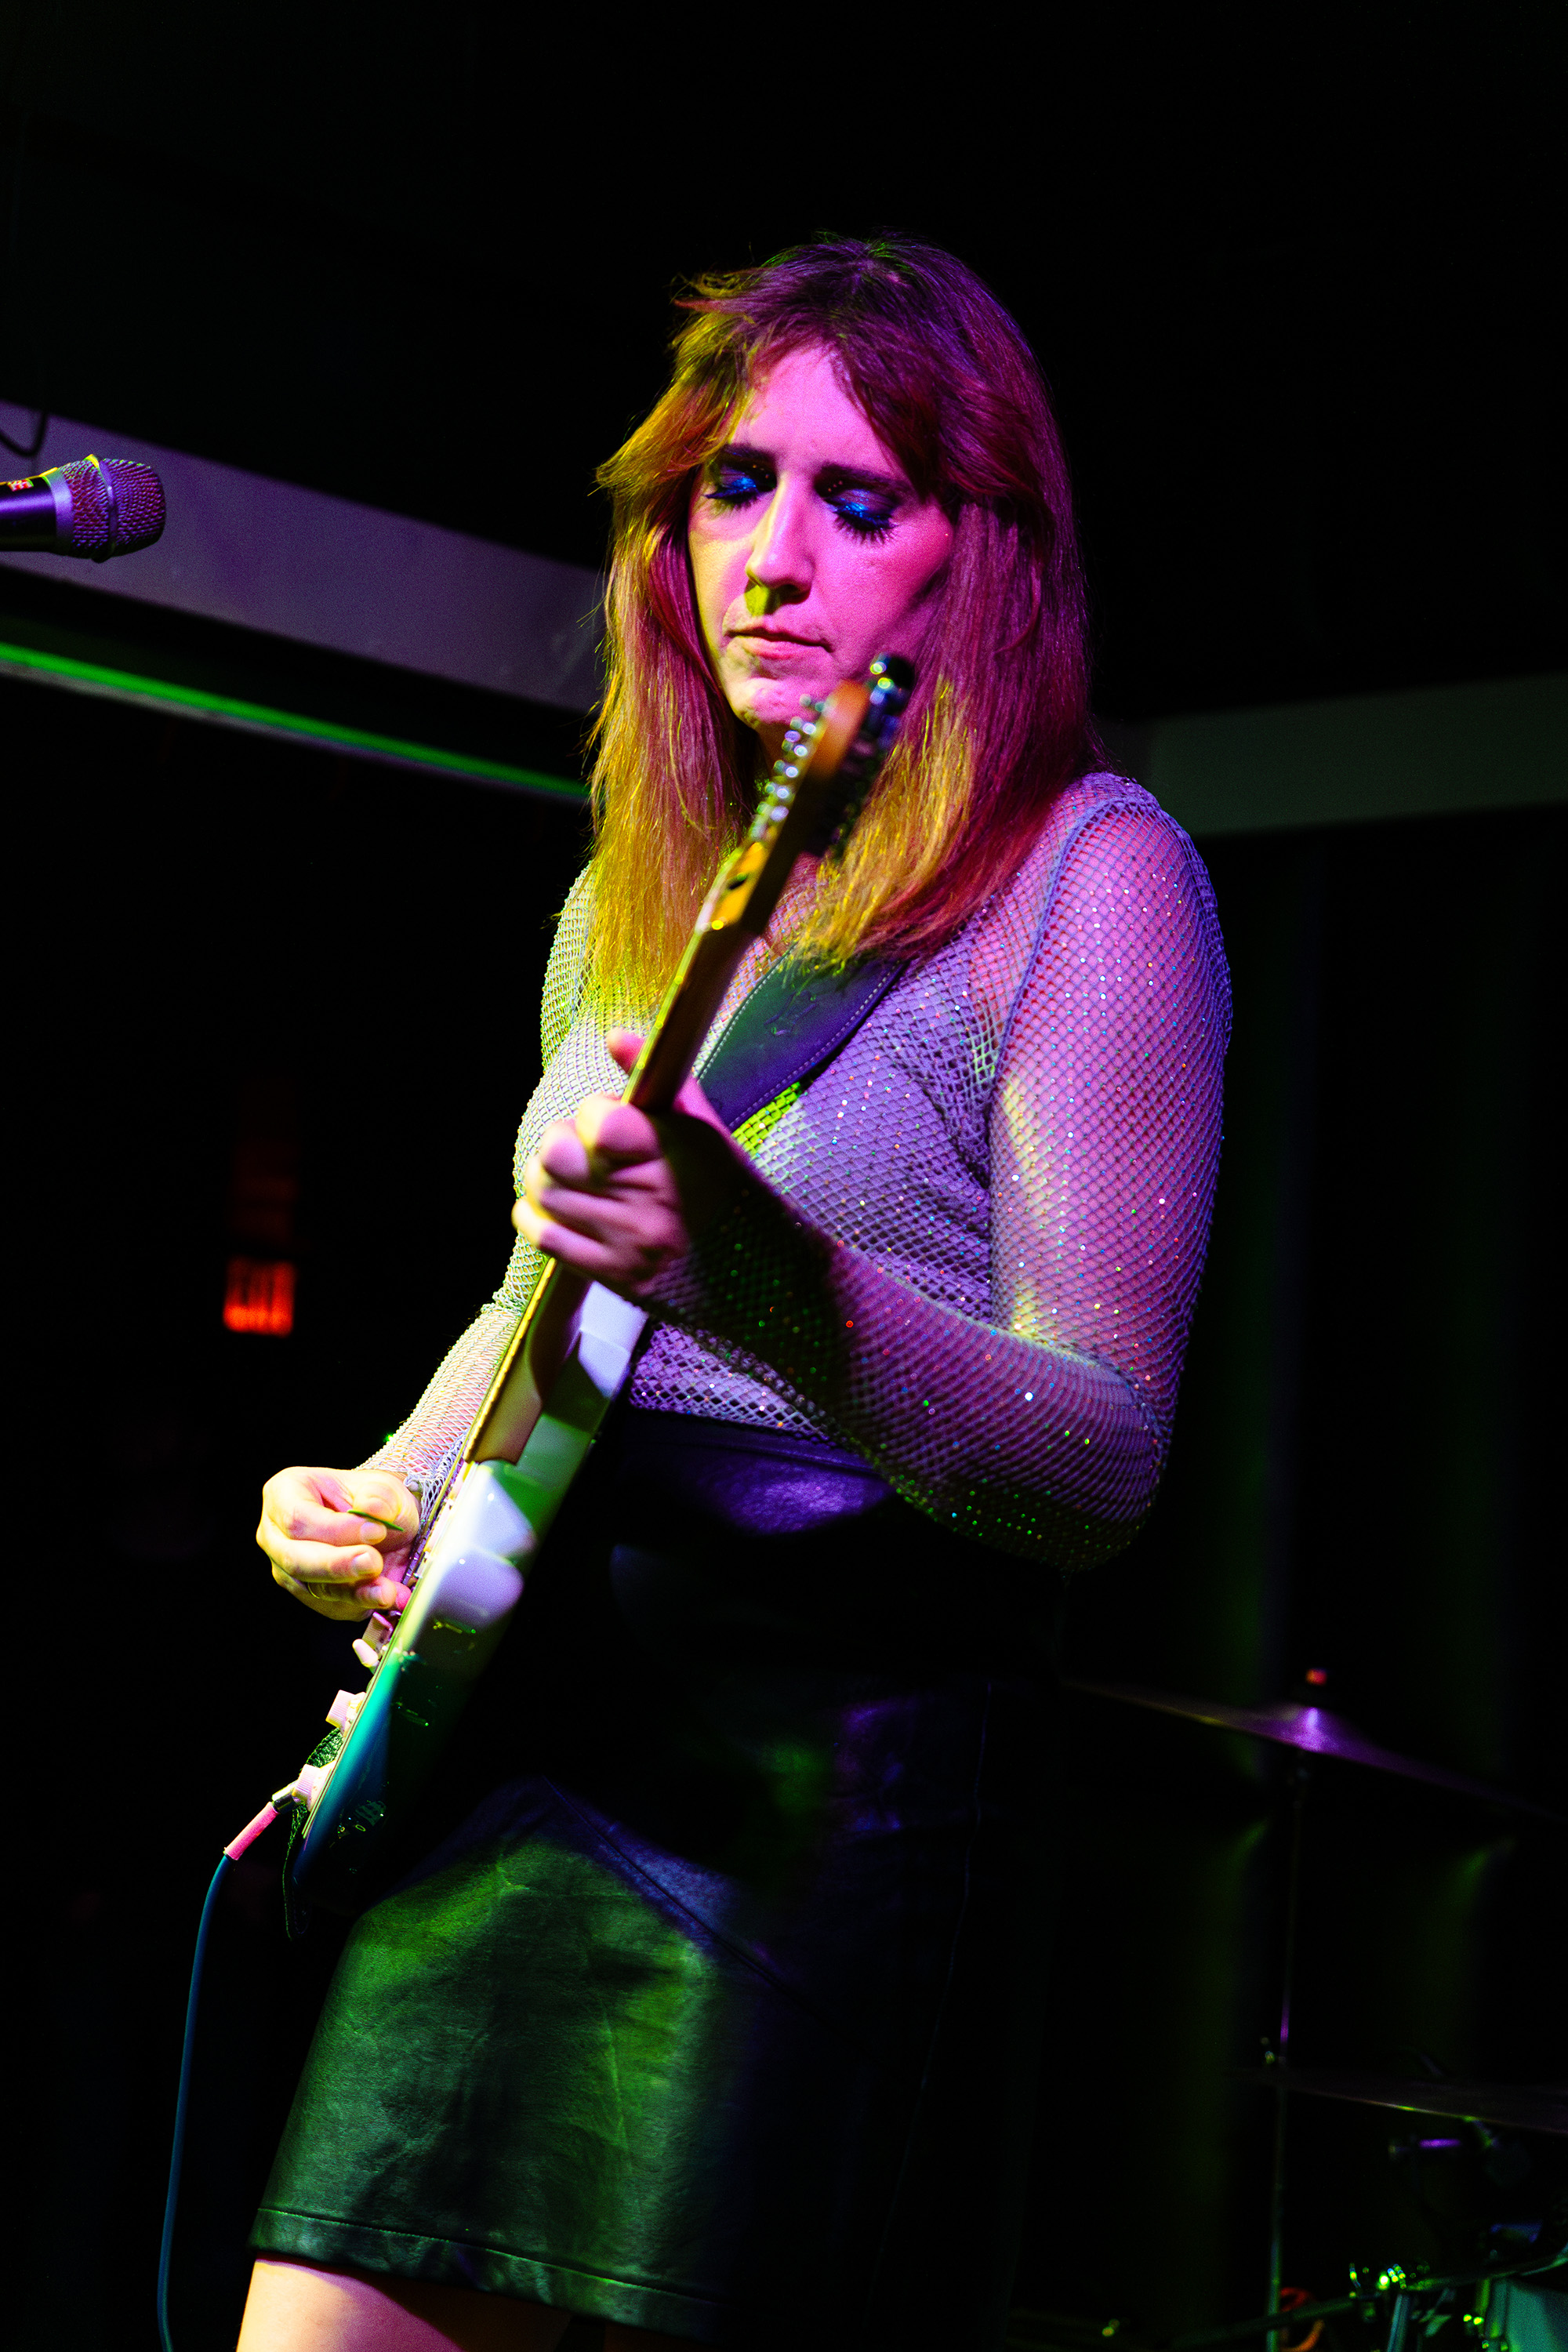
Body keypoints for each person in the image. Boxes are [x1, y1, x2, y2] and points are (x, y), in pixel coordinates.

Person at [243, 235, 1230, 2352]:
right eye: (733, 488)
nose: (773, 557)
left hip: (806, 1789)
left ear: (982, 552)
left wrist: (773, 1283)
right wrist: (384, 1487)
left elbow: (1108, 1450)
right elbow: (542, 1302)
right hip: (524, 1748)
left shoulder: (1093, 877)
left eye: (855, 500)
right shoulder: (632, 893)